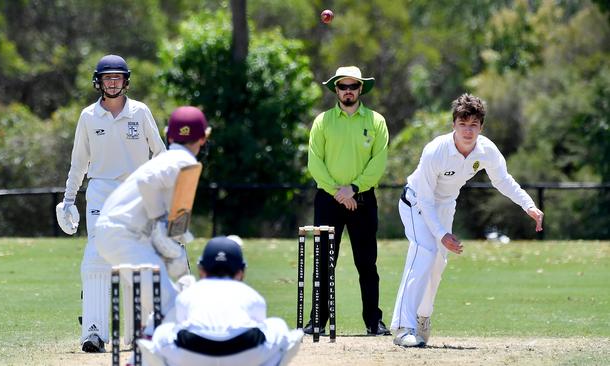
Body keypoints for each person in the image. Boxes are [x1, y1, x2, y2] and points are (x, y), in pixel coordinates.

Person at [390, 93, 545, 347]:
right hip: (416, 202)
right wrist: (442, 234)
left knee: (438, 264)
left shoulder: (486, 150)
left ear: (481, 127)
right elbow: (426, 201)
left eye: (473, 125)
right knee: (425, 252)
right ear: (454, 125)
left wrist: (529, 205)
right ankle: (402, 327)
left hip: (445, 206)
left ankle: (422, 318)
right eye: (462, 124)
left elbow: (503, 180)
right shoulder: (435, 151)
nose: (468, 130)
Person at [55, 54, 166, 352]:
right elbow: (78, 163)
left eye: (117, 77)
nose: (113, 82)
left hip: (136, 192)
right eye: (107, 78)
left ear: (126, 81)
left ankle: (140, 329)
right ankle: (93, 331)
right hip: (101, 192)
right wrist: (68, 200)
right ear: (99, 82)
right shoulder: (89, 117)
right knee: (96, 257)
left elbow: (161, 154)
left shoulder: (140, 112)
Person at [94, 106, 211, 336]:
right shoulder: (183, 161)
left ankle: (145, 342)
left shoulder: (173, 159)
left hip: (120, 234)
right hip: (125, 236)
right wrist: (159, 222)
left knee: (164, 301)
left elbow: (173, 218)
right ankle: (144, 354)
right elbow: (148, 182)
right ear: (203, 137)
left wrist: (174, 250)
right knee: (168, 305)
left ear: (168, 135)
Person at [306, 66, 391, 336]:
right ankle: (318, 320)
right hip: (328, 200)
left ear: (361, 89)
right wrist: (339, 193)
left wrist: (353, 189)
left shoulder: (376, 121)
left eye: (353, 86)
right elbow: (314, 163)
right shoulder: (322, 121)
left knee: (367, 263)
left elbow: (378, 163)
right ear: (336, 90)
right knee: (323, 262)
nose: (348, 91)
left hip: (362, 200)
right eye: (343, 87)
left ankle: (373, 322)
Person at [137, 236, 304, 366]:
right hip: (243, 356)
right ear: (241, 272)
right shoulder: (252, 295)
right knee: (279, 326)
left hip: (194, 356)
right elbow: (259, 329)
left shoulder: (188, 294)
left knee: (162, 332)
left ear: (201, 270)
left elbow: (181, 326)